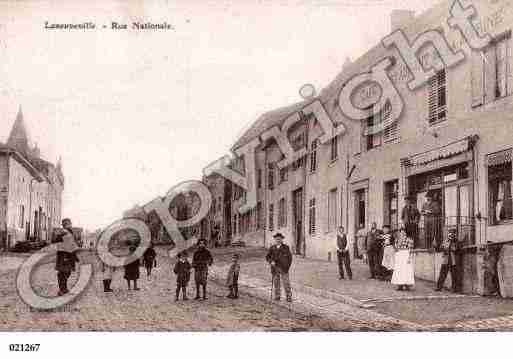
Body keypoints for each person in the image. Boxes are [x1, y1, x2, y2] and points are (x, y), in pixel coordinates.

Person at [55, 218, 80, 296]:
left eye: (70, 223)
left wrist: (75, 256)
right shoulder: (63, 233)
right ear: (65, 225)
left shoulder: (69, 232)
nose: (70, 225)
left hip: (69, 256)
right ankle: (62, 290)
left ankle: (64, 289)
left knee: (67, 273)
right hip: (64, 256)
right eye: (69, 224)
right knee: (63, 273)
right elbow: (61, 244)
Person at [266, 232, 293, 302]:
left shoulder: (286, 247)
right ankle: (277, 296)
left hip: (284, 268)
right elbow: (267, 257)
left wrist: (287, 266)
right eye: (277, 239)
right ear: (275, 240)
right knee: (276, 283)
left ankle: (289, 296)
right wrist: (271, 261)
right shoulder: (272, 248)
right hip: (275, 268)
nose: (278, 240)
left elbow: (290, 258)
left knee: (286, 283)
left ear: (282, 240)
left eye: (279, 239)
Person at [436, 228, 460, 292]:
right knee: (442, 274)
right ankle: (439, 287)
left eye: (452, 233)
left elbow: (457, 249)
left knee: (454, 275)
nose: (451, 234)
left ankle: (454, 288)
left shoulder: (456, 241)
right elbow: (441, 248)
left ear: (455, 234)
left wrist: (452, 246)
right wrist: (442, 247)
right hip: (446, 260)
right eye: (450, 233)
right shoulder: (446, 240)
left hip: (453, 260)